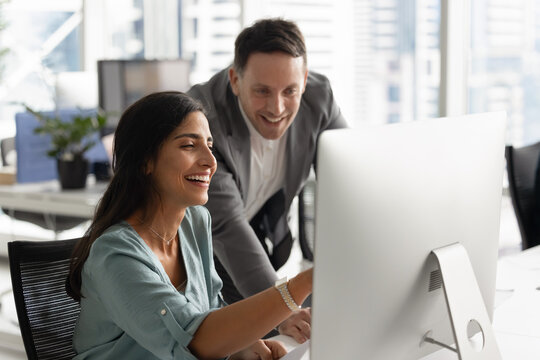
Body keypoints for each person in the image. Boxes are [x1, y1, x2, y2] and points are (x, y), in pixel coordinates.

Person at [66, 91, 313, 360]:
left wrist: (243, 345)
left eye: (209, 144)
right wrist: (308, 281)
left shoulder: (194, 221)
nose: (210, 161)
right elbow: (193, 341)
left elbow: (210, 311)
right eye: (189, 145)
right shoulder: (114, 255)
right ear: (145, 161)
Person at [187, 18, 347, 341]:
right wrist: (282, 308)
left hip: (260, 244)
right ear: (234, 80)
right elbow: (226, 226)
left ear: (304, 80)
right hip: (199, 264)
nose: (277, 107)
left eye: (290, 91)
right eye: (261, 91)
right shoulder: (203, 121)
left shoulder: (319, 99)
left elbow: (354, 183)